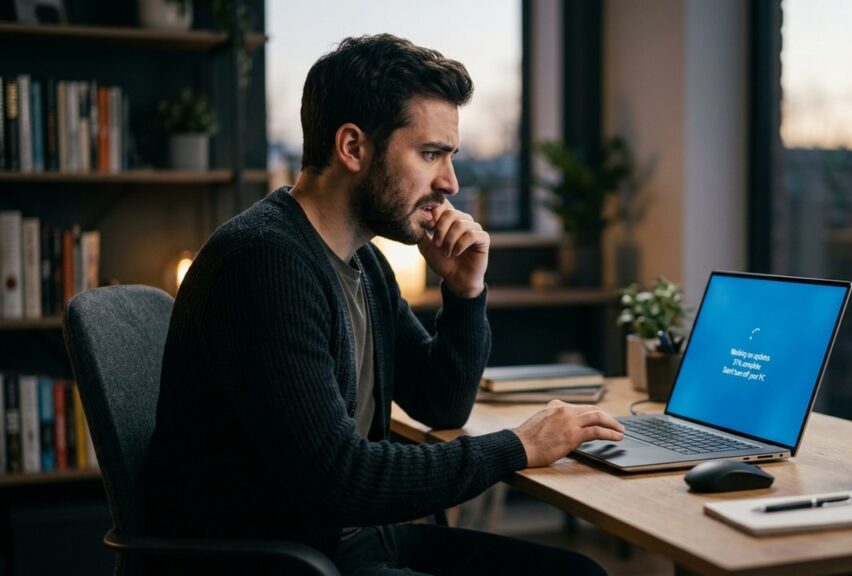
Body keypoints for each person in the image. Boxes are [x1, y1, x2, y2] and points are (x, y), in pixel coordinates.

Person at [144, 33, 625, 575]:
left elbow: (440, 404)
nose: (451, 182)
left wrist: (464, 293)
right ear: (353, 147)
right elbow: (339, 480)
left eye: (450, 155)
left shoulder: (363, 262)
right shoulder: (263, 264)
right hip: (288, 558)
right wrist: (516, 446)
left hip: (351, 542)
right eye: (430, 154)